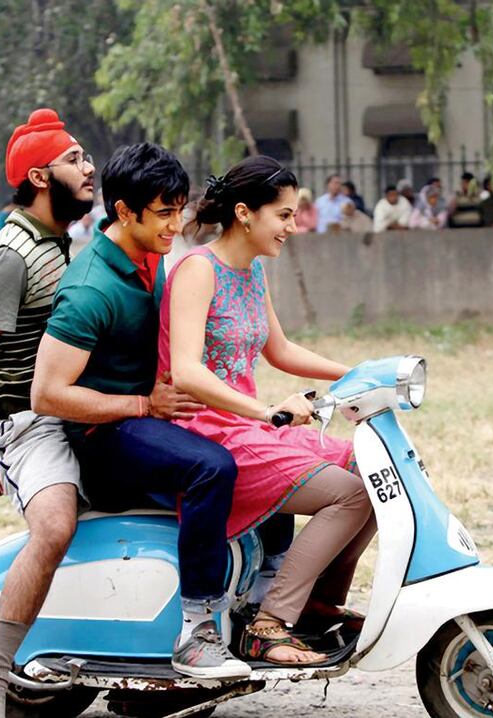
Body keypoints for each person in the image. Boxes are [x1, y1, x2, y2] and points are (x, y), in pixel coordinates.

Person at [30, 142, 249, 680]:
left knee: (271, 452)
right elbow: (47, 393)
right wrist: (143, 404)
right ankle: (195, 635)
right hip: (102, 440)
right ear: (124, 211)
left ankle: (265, 614)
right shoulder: (89, 287)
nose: (177, 225)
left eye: (180, 209)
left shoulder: (151, 256)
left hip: (148, 422)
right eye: (164, 213)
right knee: (211, 467)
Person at [158, 155, 375, 666]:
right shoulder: (197, 271)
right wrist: (263, 412)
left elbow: (279, 350)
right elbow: (187, 372)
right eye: (284, 214)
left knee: (372, 471)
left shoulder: (251, 269)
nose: (293, 226)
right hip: (209, 429)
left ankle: (317, 606)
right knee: (348, 495)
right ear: (244, 213)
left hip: (249, 422)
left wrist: (358, 374)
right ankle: (269, 622)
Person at [0, 108, 95, 718]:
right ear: (39, 177)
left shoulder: (62, 245)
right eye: (73, 160)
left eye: (85, 157)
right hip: (26, 422)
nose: (88, 168)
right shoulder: (9, 255)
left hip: (73, 411)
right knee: (56, 526)